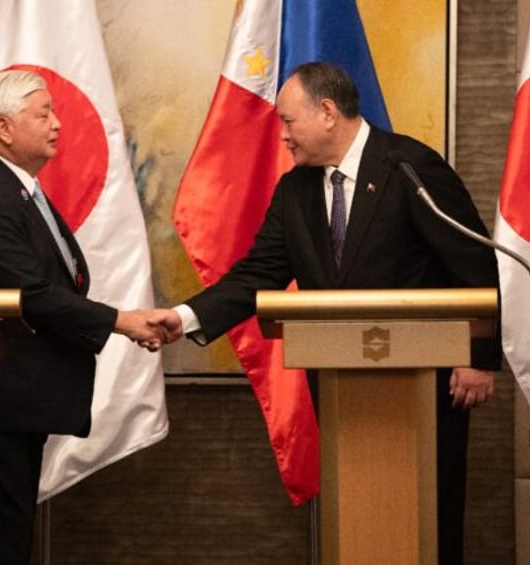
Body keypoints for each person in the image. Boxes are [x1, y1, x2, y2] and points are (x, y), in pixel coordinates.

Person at [152, 62, 500, 565]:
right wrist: (183, 318)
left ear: (328, 112)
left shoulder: (409, 167)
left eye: (289, 122)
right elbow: (256, 275)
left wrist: (479, 357)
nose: (284, 136)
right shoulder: (296, 190)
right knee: (353, 515)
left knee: (431, 516)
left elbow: (473, 260)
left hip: (427, 386)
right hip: (341, 385)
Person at [0, 68, 162, 565]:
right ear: (3, 128)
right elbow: (32, 293)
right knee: (0, 540)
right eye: (43, 114)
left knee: (10, 532)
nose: (57, 124)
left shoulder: (17, 188)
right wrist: (121, 321)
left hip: (19, 399)